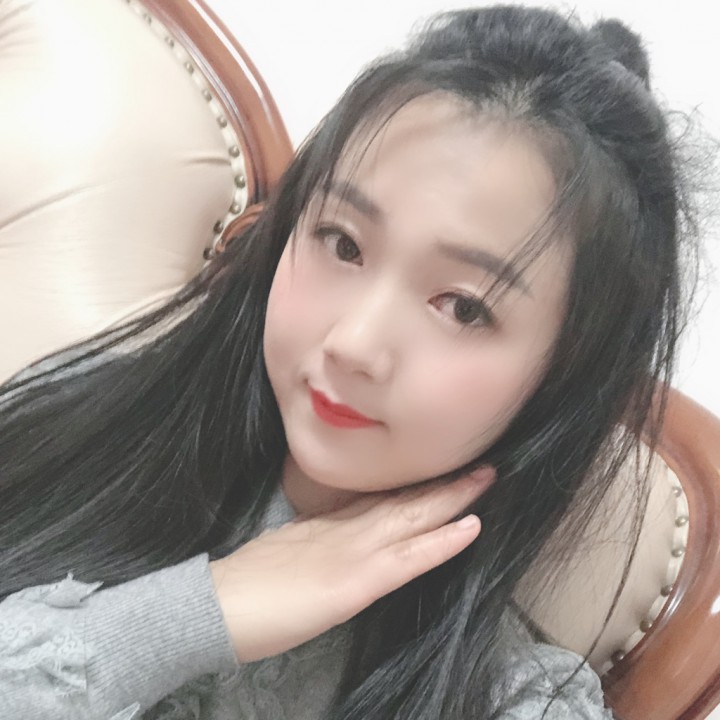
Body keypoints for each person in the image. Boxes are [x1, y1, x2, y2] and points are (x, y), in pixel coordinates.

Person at [0, 5, 699, 719]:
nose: (354, 343)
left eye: (463, 307)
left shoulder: (513, 702)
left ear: (564, 376)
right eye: (343, 244)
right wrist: (196, 615)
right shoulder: (71, 428)